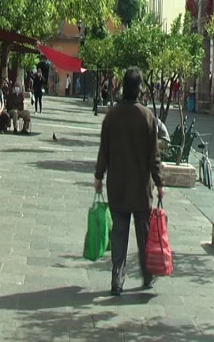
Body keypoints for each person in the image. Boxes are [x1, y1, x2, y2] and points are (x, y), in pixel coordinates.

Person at [95, 67, 164, 296]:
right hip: (140, 190)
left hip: (118, 187)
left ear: (123, 87)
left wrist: (98, 176)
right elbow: (153, 156)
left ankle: (117, 279)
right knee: (143, 235)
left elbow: (103, 151)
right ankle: (147, 274)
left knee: (119, 234)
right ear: (140, 89)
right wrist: (160, 182)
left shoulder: (111, 117)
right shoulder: (147, 117)